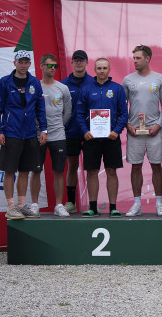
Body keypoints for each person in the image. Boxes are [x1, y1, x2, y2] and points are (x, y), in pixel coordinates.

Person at [0, 50, 47, 219]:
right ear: (14, 63)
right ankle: (10, 206)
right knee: (9, 171)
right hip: (11, 132)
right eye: (20, 62)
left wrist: (43, 129)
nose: (23, 65)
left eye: (26, 62)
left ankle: (21, 205)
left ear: (30, 64)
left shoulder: (34, 82)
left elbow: (40, 108)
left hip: (30, 133)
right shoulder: (4, 82)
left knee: (24, 170)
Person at [76, 58, 128, 217]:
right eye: (99, 68)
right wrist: (85, 131)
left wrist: (117, 131)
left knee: (112, 171)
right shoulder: (86, 88)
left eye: (105, 68)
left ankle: (113, 207)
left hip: (111, 137)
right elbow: (79, 113)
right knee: (92, 172)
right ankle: (93, 207)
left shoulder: (117, 89)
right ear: (94, 69)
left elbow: (124, 114)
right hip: (91, 138)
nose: (102, 71)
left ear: (109, 69)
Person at [123, 45, 162, 217]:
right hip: (135, 131)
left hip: (154, 131)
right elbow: (122, 106)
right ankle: (136, 204)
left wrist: (158, 125)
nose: (135, 61)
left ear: (147, 58)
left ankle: (159, 203)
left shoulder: (160, 79)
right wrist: (128, 125)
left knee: (156, 165)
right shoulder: (127, 80)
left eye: (138, 58)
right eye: (133, 58)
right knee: (136, 166)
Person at [29, 54, 72, 217]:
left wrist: (58, 126)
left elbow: (68, 111)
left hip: (58, 135)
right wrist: (39, 130)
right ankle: (34, 205)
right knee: (36, 170)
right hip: (37, 135)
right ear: (41, 66)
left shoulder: (63, 88)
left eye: (55, 66)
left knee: (59, 171)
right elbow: (30, 110)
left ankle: (59, 205)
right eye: (49, 65)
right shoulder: (34, 87)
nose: (53, 68)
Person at [61, 49, 94, 214]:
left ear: (87, 62)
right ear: (72, 62)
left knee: (91, 167)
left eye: (82, 60)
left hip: (90, 132)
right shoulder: (63, 84)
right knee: (72, 166)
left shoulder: (94, 82)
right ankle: (71, 202)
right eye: (76, 60)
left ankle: (91, 204)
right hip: (71, 132)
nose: (79, 62)